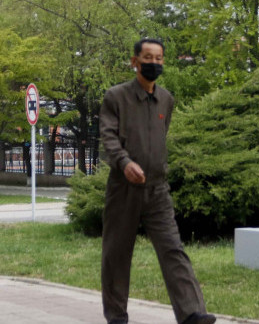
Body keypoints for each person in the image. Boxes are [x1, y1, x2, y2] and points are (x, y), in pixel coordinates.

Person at [99, 38, 216, 324]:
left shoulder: (166, 99)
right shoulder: (116, 97)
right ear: (134, 61)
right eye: (148, 57)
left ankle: (191, 313)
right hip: (123, 189)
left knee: (172, 248)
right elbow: (108, 137)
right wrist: (124, 162)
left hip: (158, 189)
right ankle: (116, 317)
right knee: (117, 252)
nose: (154, 63)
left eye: (159, 58)